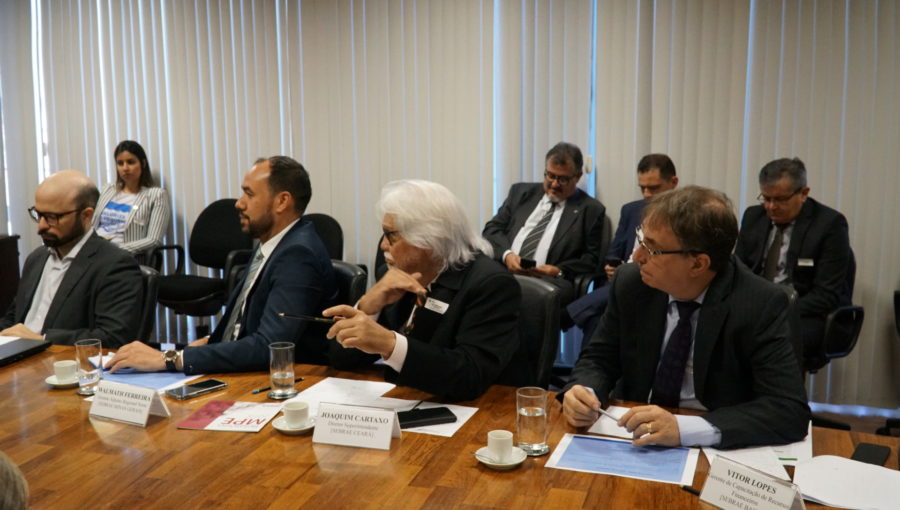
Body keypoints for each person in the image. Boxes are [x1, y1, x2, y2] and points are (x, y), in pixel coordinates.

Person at [561, 186, 809, 449]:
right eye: (641, 239)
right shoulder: (632, 283)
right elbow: (600, 357)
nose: (637, 256)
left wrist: (685, 429)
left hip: (710, 448)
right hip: (632, 435)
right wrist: (585, 391)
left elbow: (788, 410)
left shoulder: (759, 303)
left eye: (652, 249)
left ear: (698, 264)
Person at [108, 156, 337, 374]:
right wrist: (206, 343)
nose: (239, 203)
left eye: (249, 194)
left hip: (279, 380)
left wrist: (170, 358)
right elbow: (244, 326)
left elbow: (269, 347)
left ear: (282, 201)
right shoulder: (273, 243)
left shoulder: (298, 255)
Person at [324, 180, 521, 401]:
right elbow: (340, 359)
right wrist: (369, 307)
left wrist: (389, 344)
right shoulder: (393, 274)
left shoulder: (490, 284)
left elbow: (470, 376)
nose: (383, 246)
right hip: (400, 398)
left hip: (471, 410)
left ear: (428, 239)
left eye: (390, 235)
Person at [0, 171, 142, 347]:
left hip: (62, 360)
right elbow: (13, 319)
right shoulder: (36, 259)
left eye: (52, 217)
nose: (41, 226)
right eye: (38, 214)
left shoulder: (115, 265)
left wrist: (41, 340)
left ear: (86, 215)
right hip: (18, 354)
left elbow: (113, 338)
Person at [734, 157, 851, 370]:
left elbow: (825, 296)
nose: (771, 207)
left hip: (803, 313)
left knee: (772, 339)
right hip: (756, 307)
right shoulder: (753, 217)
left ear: (803, 193)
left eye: (780, 199)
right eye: (766, 198)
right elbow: (738, 270)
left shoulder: (829, 225)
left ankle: (783, 392)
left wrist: (774, 310)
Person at [567, 154, 678, 341]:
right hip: (622, 281)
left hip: (656, 285)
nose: (647, 194)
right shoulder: (631, 210)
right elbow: (614, 252)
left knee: (626, 279)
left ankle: (566, 315)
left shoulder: (681, 217)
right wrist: (610, 268)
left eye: (654, 188)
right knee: (596, 319)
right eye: (642, 188)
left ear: (673, 182)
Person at [482, 142, 605, 304]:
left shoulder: (590, 209)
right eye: (550, 176)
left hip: (548, 281)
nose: (554, 184)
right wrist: (507, 255)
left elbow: (590, 259)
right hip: (505, 271)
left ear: (577, 177)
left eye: (562, 179)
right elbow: (492, 229)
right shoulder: (520, 193)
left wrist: (558, 270)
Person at [92, 140, 171, 263]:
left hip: (124, 257)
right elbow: (92, 226)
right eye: (120, 163)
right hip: (95, 251)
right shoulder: (108, 190)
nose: (125, 168)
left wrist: (118, 250)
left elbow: (154, 240)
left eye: (130, 162)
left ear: (143, 163)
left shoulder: (156, 195)